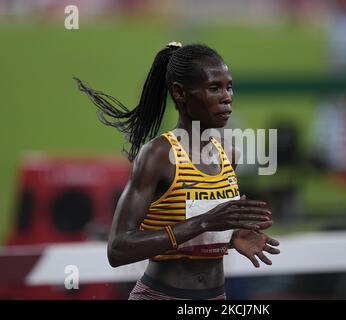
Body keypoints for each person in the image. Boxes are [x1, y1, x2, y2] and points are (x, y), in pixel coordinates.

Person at [74, 42, 280, 300]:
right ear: (180, 93)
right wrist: (204, 223)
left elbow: (203, 227)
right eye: (214, 88)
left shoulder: (229, 153)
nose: (227, 96)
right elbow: (118, 249)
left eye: (229, 87)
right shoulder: (158, 155)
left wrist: (231, 236)